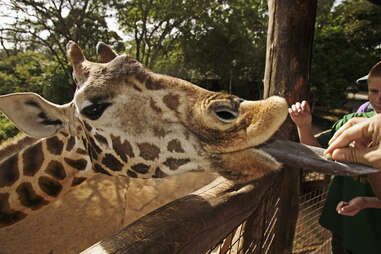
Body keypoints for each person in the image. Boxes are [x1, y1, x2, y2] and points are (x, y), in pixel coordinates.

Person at [289, 60, 381, 254]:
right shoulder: (352, 122)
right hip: (345, 223)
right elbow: (318, 153)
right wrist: (304, 126)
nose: (379, 99)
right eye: (374, 91)